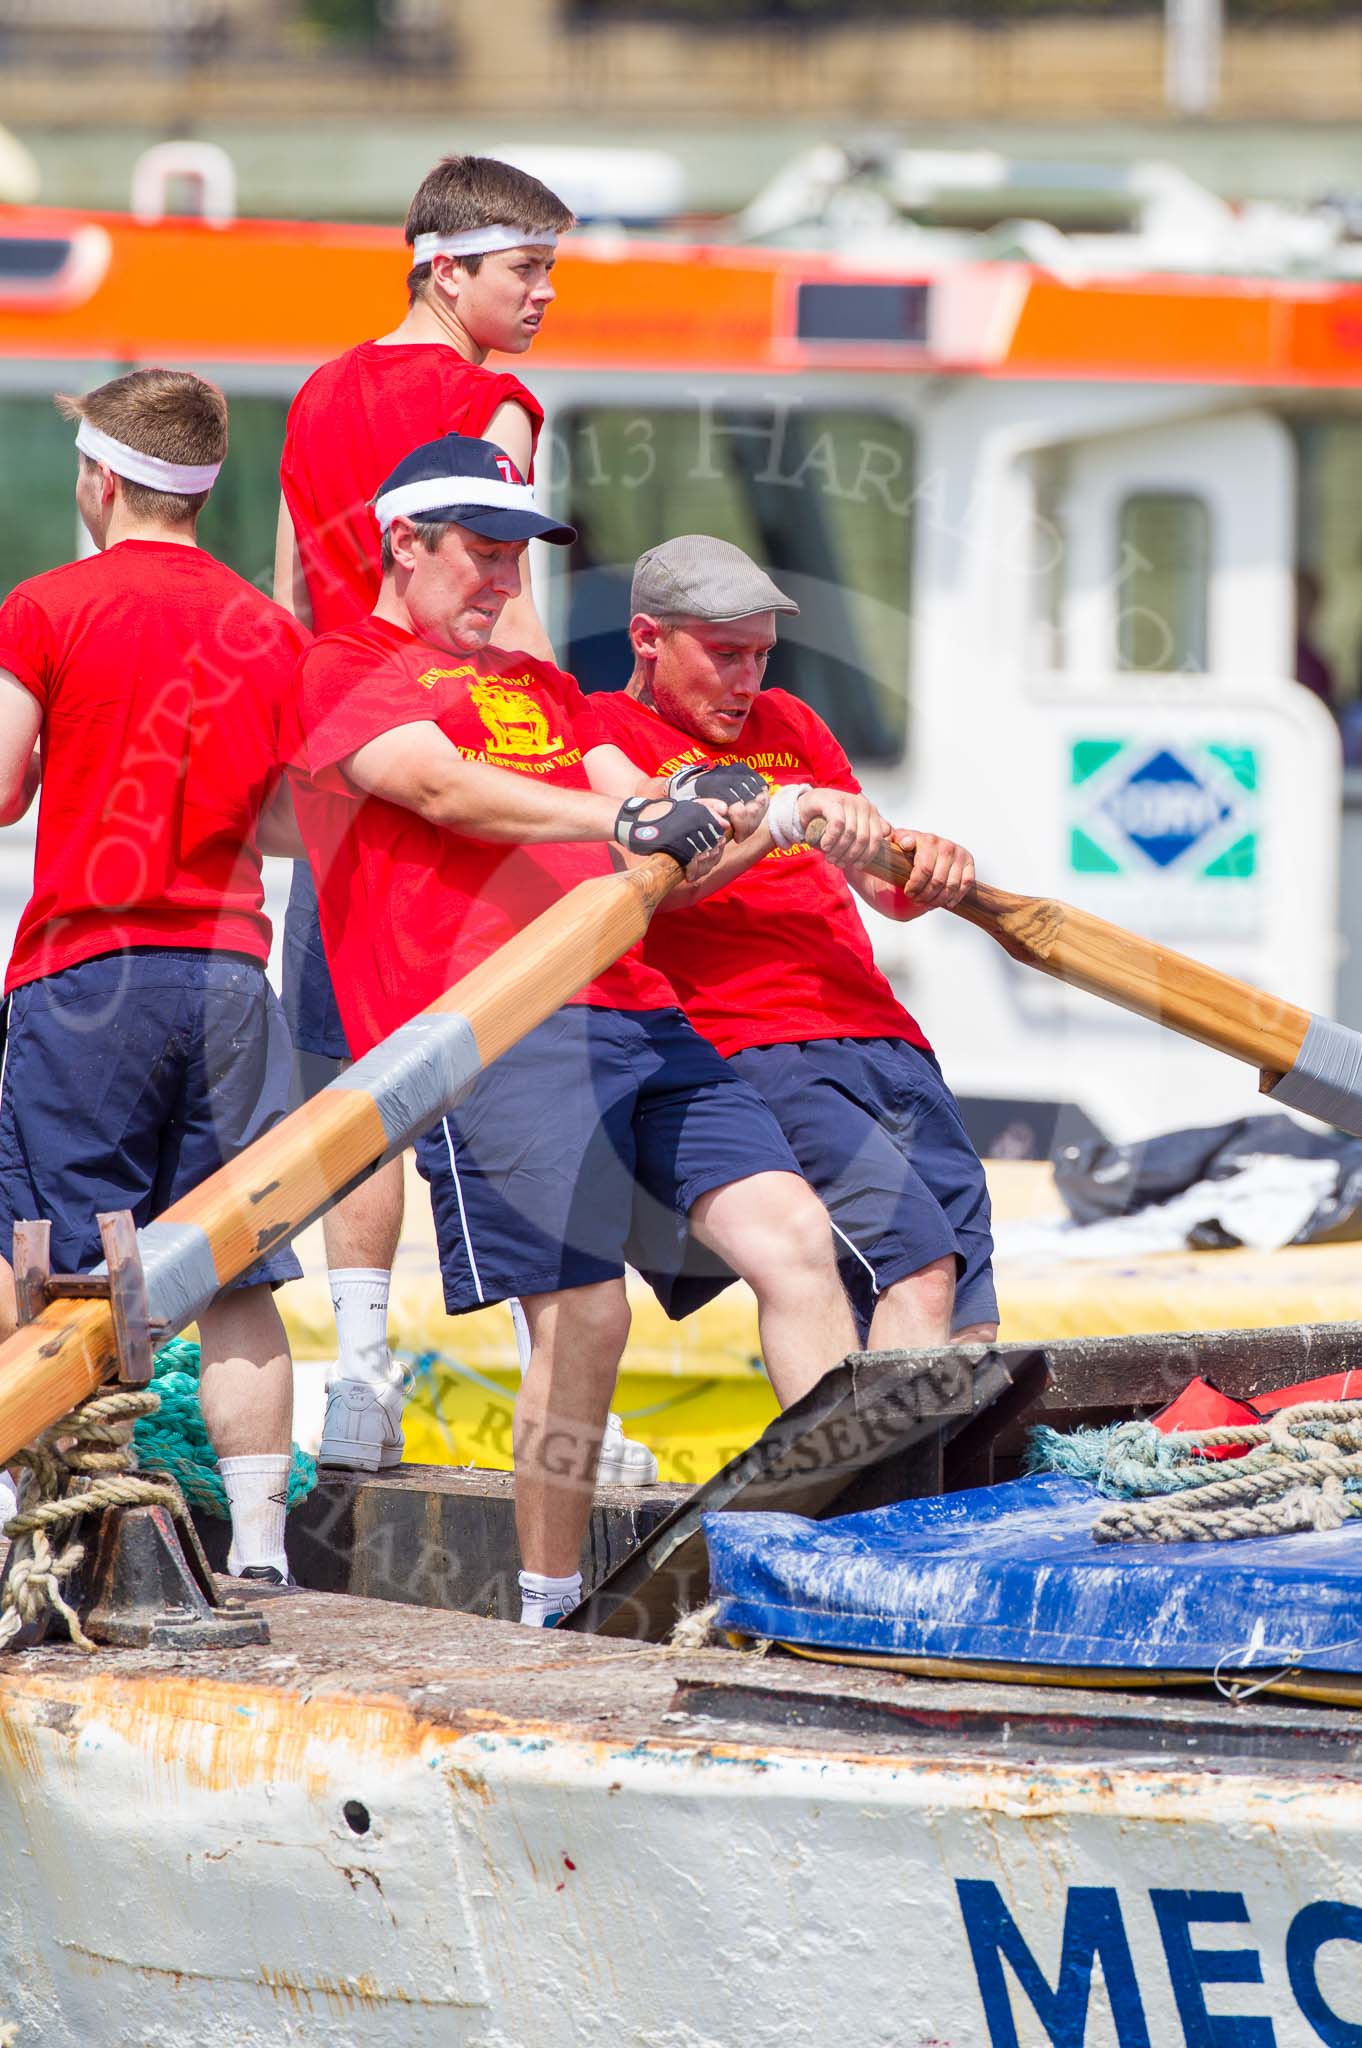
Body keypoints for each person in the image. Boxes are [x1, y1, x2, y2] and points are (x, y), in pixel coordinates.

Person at [284, 437, 862, 1625]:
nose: (504, 580)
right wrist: (633, 810)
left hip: (639, 1013)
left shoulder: (544, 690)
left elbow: (662, 841)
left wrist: (789, 813)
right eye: (482, 553)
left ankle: (847, 1556)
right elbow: (445, 787)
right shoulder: (343, 663)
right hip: (493, 1022)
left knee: (800, 1242)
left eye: (517, 558)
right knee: (588, 1310)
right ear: (406, 542)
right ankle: (549, 1603)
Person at [274, 154, 594, 1469]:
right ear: (443, 266)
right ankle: (563, 1402)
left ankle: (358, 1381)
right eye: (527, 271)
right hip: (460, 757)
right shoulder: (491, 401)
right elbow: (502, 595)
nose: (544, 298)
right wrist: (571, 772)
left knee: (359, 1084)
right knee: (514, 1078)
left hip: (347, 753)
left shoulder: (316, 391)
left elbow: (293, 585)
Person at [0, 369, 308, 1584]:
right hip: (231, 977)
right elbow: (285, 820)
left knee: (56, 1264)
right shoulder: (266, 627)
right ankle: (267, 1554)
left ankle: (46, 1540)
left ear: (101, 477)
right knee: (232, 1266)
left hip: (91, 973)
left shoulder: (46, 605)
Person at [581, 534, 998, 1352]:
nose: (748, 682)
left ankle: (953, 1478)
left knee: (971, 1308)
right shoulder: (602, 733)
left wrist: (929, 863)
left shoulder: (793, 721)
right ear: (646, 638)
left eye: (762, 656)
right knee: (914, 1271)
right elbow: (654, 885)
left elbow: (882, 889)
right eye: (726, 655)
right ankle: (879, 1484)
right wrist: (781, 820)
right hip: (758, 1046)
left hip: (885, 1037)